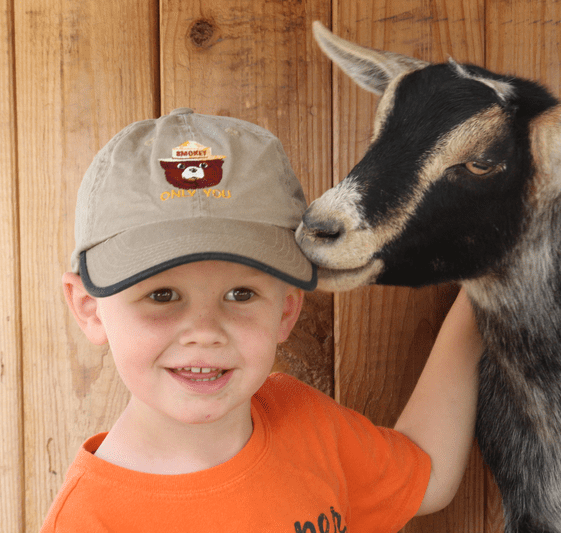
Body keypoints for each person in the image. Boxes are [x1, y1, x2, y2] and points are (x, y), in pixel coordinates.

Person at [40, 108, 483, 532]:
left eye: (241, 294)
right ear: (90, 309)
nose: (205, 331)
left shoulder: (306, 422)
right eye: (162, 295)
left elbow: (429, 474)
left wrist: (484, 297)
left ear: (286, 310)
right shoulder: (88, 521)